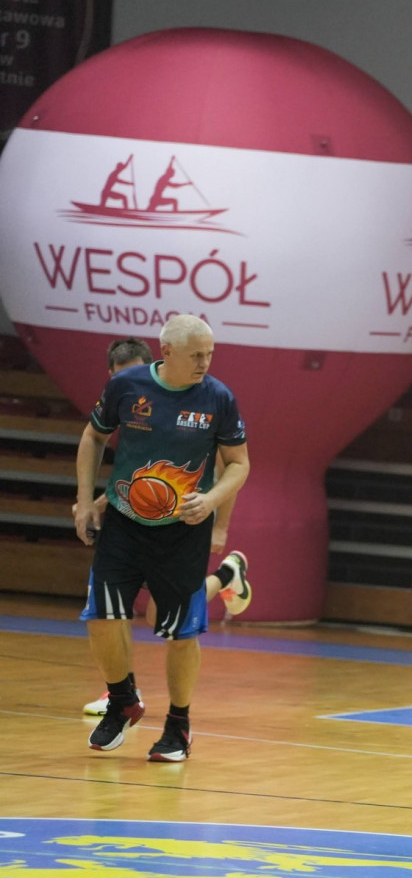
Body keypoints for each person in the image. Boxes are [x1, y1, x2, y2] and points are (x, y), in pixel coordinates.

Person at [74, 315, 250, 762]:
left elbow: (239, 463)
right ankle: (121, 700)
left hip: (183, 531)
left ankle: (178, 725)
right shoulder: (126, 387)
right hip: (124, 522)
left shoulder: (218, 398)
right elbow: (93, 437)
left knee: (176, 629)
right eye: (197, 355)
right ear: (167, 351)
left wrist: (211, 502)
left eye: (210, 354)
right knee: (101, 615)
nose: (205, 363)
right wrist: (84, 501)